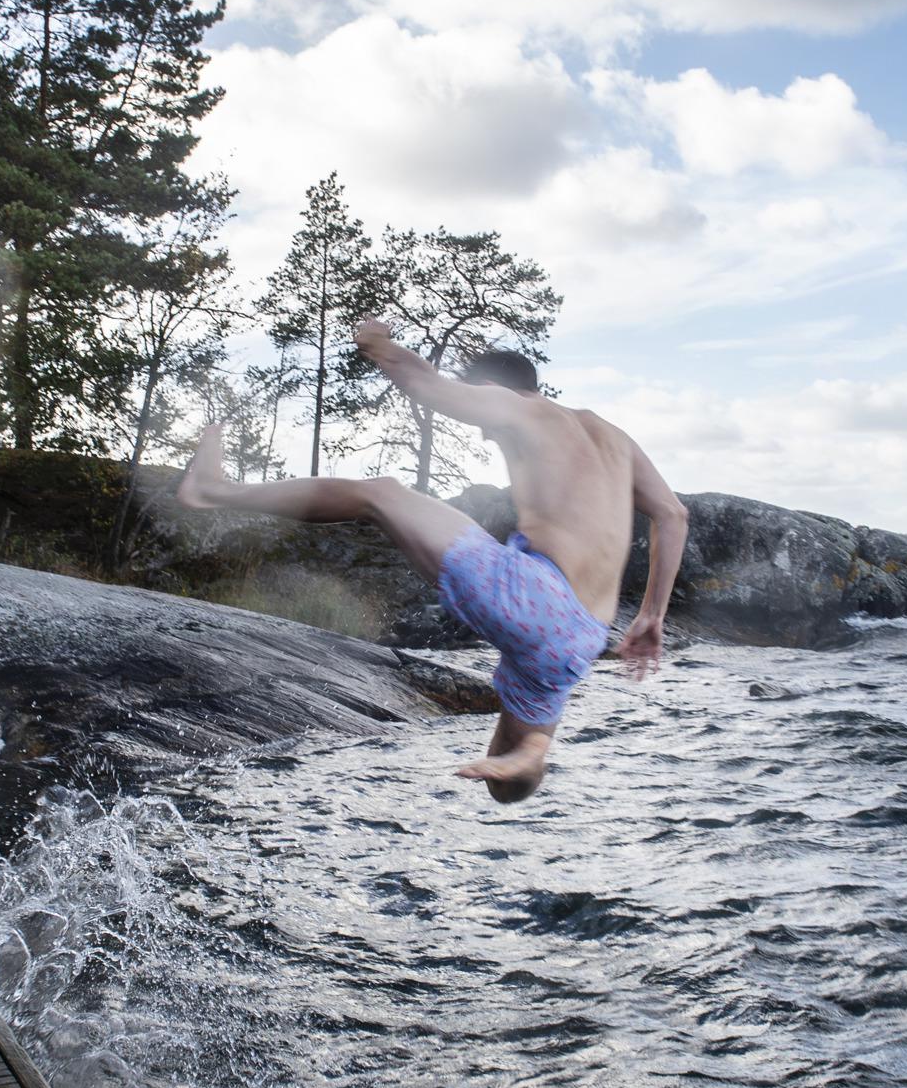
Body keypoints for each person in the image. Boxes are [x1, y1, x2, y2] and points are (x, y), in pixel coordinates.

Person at [177, 318, 688, 800]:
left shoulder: (515, 406)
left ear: (492, 388)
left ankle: (213, 490)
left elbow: (424, 384)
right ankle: (532, 753)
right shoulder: (614, 438)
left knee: (380, 493)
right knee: (505, 781)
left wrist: (377, 343)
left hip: (535, 598)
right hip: (582, 638)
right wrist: (652, 615)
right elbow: (672, 515)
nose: (486, 434)